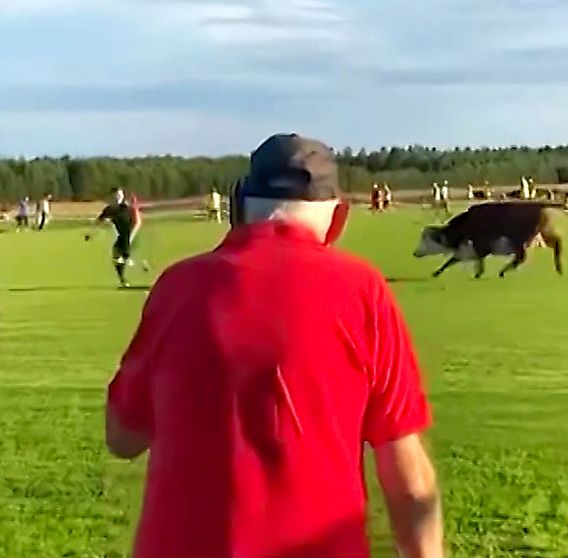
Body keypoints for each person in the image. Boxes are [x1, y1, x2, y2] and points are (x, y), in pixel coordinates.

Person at [104, 134, 443, 558]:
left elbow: (122, 436)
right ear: (338, 218)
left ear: (238, 205)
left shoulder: (177, 287)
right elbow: (407, 477)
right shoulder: (361, 290)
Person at [89, 188, 142, 288]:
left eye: (119, 195)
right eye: (115, 196)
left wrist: (131, 237)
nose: (117, 197)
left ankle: (137, 266)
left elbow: (137, 222)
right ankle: (124, 278)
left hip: (130, 235)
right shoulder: (110, 210)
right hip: (121, 237)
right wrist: (91, 234)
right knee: (116, 257)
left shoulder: (127, 208)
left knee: (121, 257)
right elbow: (99, 221)